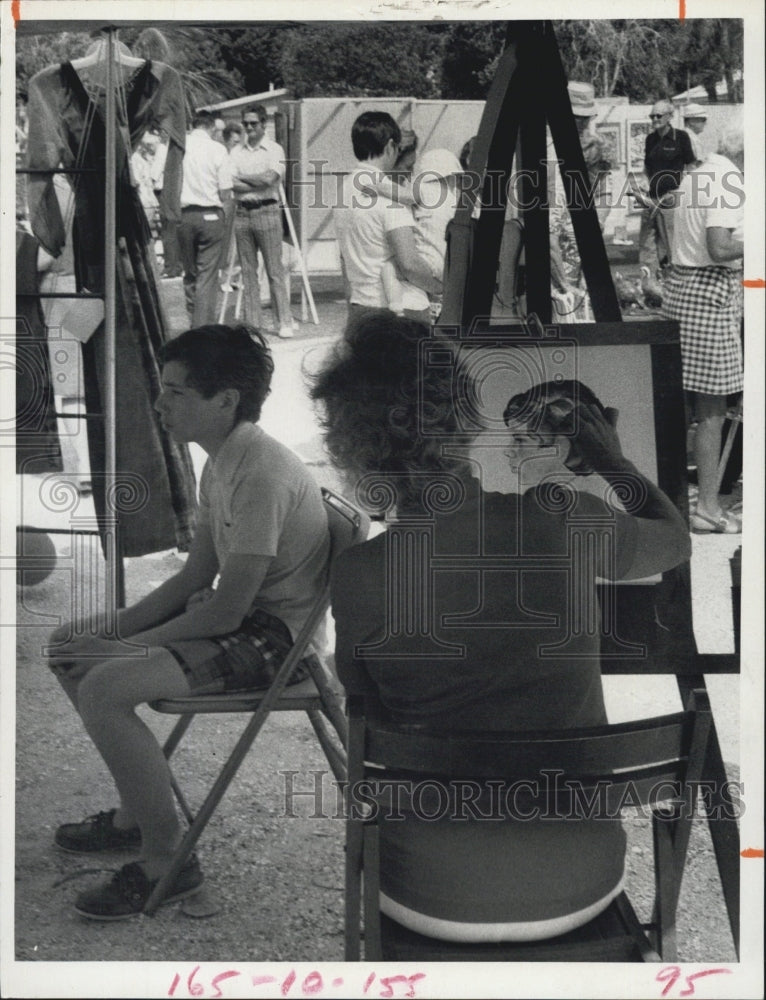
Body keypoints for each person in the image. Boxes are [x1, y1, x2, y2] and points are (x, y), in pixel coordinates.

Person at [311, 312, 691, 944]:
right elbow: (674, 543)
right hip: (583, 882)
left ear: (349, 450)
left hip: (428, 894)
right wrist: (612, 461)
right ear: (468, 418)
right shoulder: (560, 515)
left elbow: (368, 731)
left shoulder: (358, 575)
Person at [46, 324, 330, 919]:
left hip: (275, 640)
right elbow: (192, 579)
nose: (159, 403)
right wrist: (113, 634)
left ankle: (165, 862)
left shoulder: (261, 471)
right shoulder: (221, 459)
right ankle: (135, 814)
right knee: (69, 644)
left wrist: (122, 649)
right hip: (239, 618)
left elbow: (226, 609)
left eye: (177, 392)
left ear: (224, 400)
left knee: (103, 686)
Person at [662, 128, 744, 534]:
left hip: (681, 287)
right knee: (712, 411)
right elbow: (720, 247)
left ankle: (673, 501)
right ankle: (709, 508)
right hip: (709, 291)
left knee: (681, 407)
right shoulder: (728, 180)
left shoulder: (697, 174)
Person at [333, 111, 441, 326]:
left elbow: (345, 259)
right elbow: (409, 264)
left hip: (361, 305)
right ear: (391, 146)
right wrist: (441, 288)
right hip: (401, 311)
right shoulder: (392, 198)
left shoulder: (344, 191)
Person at [229, 105, 293, 338]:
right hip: (243, 213)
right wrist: (256, 181)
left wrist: (243, 178)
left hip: (267, 211)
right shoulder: (236, 151)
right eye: (245, 123)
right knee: (248, 272)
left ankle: (283, 321)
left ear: (263, 124)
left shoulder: (274, 150)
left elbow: (270, 178)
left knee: (274, 270)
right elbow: (229, 182)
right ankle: (253, 324)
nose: (248, 128)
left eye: (253, 123)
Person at [381, 148, 462, 320]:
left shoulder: (426, 190)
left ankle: (395, 306)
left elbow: (405, 195)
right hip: (448, 264)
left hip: (428, 260)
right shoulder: (456, 199)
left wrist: (378, 188)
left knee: (388, 266)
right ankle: (437, 303)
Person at [178, 110, 233, 326]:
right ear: (211, 127)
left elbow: (160, 181)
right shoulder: (217, 149)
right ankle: (202, 328)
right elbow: (225, 191)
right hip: (210, 214)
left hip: (183, 216)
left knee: (190, 273)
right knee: (207, 277)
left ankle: (194, 320)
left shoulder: (179, 146)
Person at [636, 99, 695, 278]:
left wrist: (681, 193)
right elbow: (647, 168)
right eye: (652, 115)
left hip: (671, 198)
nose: (654, 119)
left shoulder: (681, 137)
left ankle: (676, 282)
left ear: (670, 116)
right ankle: (650, 284)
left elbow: (691, 168)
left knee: (671, 242)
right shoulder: (650, 139)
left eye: (658, 115)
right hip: (651, 199)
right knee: (647, 242)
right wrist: (642, 185)